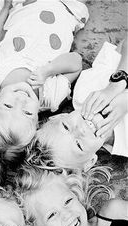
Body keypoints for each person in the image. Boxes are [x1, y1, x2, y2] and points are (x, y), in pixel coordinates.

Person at [0, 0, 88, 163]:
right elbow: (76, 63)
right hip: (66, 9)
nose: (21, 100)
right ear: (37, 121)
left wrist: (6, 8)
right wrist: (49, 69)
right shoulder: (50, 95)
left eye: (8, 106)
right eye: (27, 113)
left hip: (27, 5)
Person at [27, 36, 128, 171]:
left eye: (66, 127)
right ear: (90, 161)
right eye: (79, 145)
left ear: (59, 116)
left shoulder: (83, 93)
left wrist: (118, 83)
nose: (80, 130)